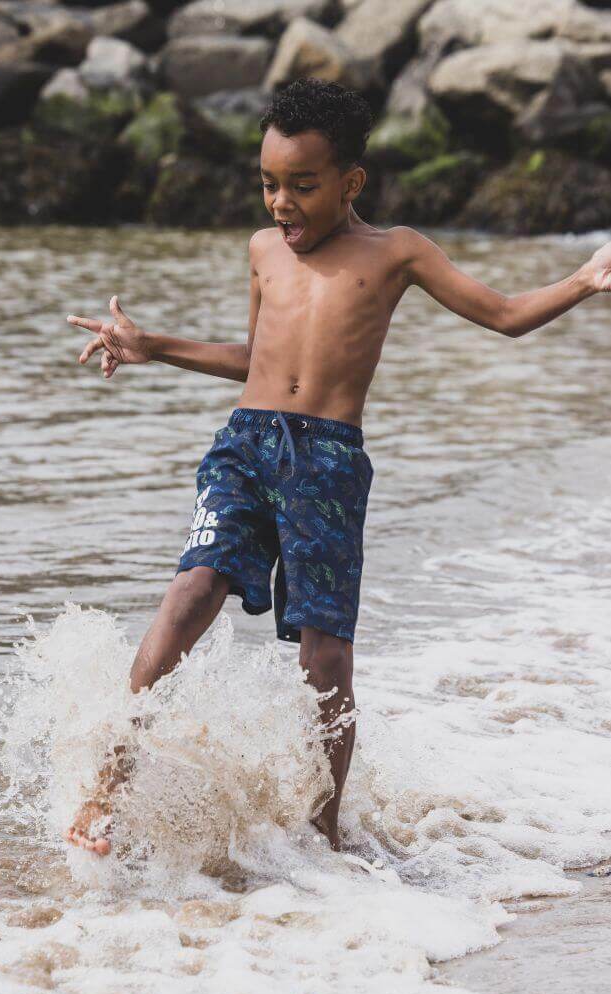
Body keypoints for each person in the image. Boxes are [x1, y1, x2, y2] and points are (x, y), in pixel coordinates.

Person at [65, 78, 611, 856]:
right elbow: (254, 359)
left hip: (325, 464)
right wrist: (153, 347)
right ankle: (107, 788)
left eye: (301, 186)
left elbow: (503, 316)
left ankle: (321, 831)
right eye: (268, 185)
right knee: (191, 589)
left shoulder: (396, 252)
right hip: (244, 445)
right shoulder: (260, 250)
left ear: (350, 182)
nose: (280, 204)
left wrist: (584, 282)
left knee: (323, 652)